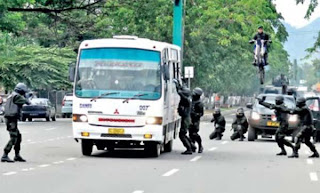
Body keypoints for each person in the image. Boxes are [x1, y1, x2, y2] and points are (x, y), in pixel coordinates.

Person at [1, 83, 31, 163]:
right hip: (11, 119)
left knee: (18, 136)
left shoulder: (11, 95)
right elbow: (28, 102)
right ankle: (5, 155)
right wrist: (26, 96)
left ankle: (17, 155)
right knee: (14, 137)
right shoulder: (17, 96)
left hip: (10, 118)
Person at [174, 80, 194, 155]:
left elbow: (180, 93)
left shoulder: (187, 100)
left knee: (182, 134)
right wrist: (178, 85)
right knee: (183, 134)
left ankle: (189, 148)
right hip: (186, 118)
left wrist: (177, 87)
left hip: (186, 119)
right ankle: (192, 146)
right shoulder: (185, 99)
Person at [189, 87, 204, 153]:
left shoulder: (199, 103)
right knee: (190, 134)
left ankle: (200, 146)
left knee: (194, 134)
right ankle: (193, 146)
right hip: (190, 119)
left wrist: (196, 114)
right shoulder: (191, 100)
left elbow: (201, 113)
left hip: (195, 120)